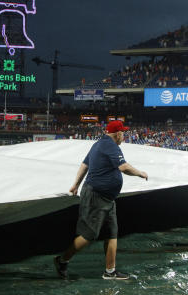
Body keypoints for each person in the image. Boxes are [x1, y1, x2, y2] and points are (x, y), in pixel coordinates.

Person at [54, 120, 149, 280]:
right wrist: (141, 173)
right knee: (88, 234)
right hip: (95, 195)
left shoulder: (98, 144)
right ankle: (62, 260)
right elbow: (123, 167)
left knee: (112, 233)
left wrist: (75, 184)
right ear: (117, 133)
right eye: (123, 133)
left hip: (107, 198)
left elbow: (85, 165)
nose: (124, 136)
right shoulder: (109, 145)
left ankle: (110, 271)